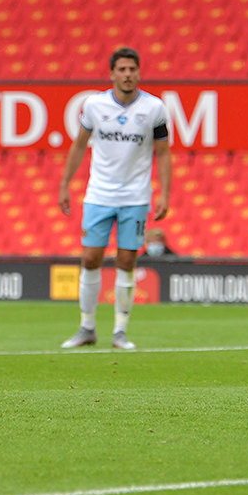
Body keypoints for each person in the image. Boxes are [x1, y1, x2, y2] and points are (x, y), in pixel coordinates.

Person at [59, 47, 172, 350]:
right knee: (90, 258)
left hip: (135, 196)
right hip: (99, 194)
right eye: (121, 69)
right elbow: (80, 145)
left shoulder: (154, 108)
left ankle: (120, 331)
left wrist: (165, 193)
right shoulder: (94, 105)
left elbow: (163, 152)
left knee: (126, 260)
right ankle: (87, 327)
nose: (127, 75)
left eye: (132, 69)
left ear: (139, 73)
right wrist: (65, 184)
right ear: (111, 74)